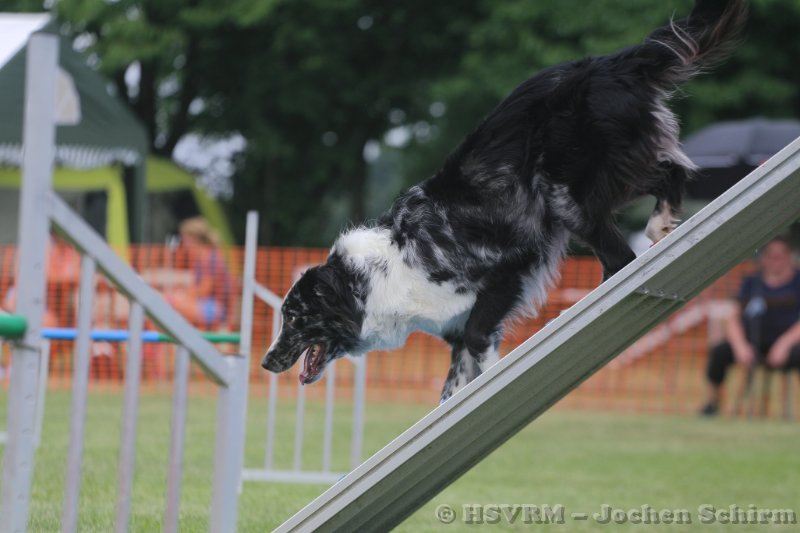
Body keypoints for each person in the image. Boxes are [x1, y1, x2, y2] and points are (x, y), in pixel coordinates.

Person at [700, 236, 800, 416]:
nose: (775, 260)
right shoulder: (752, 282)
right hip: (751, 343)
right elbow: (733, 316)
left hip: (788, 345)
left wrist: (784, 344)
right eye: (771, 255)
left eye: (780, 255)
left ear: (789, 256)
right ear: (764, 258)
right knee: (720, 351)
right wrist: (740, 346)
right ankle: (712, 403)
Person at [166, 217, 233, 329]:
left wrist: (183, 297)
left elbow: (205, 289)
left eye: (185, 239)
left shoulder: (210, 258)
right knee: (170, 302)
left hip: (216, 309)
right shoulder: (201, 258)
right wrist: (182, 294)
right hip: (206, 304)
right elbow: (196, 287)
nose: (184, 244)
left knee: (170, 304)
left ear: (194, 239)